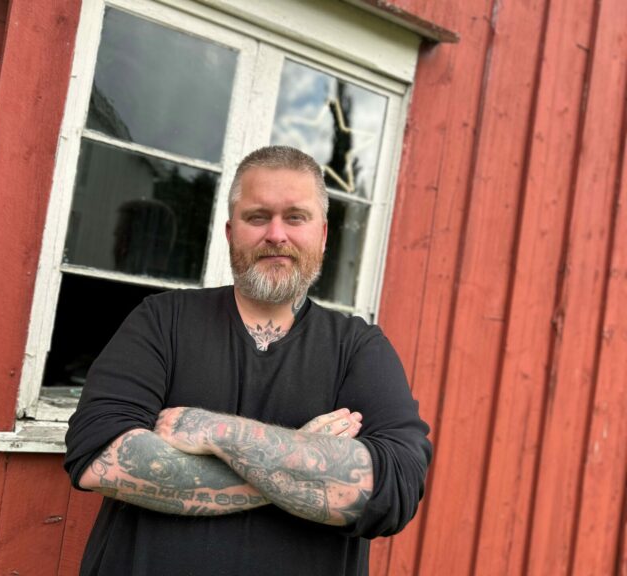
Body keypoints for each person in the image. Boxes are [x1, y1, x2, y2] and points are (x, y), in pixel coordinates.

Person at [64, 145, 432, 576]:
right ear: (230, 231)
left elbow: (394, 488)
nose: (276, 234)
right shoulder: (162, 320)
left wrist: (211, 430)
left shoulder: (359, 348)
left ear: (323, 235)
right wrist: (304, 458)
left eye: (295, 217)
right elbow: (97, 457)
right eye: (258, 217)